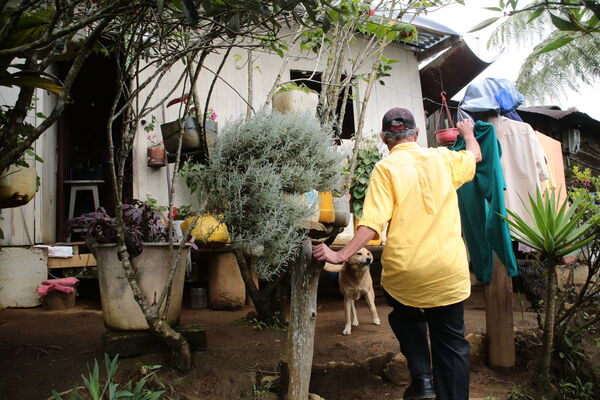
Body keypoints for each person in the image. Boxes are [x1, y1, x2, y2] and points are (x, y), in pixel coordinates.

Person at [313, 107, 481, 400]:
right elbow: (474, 157)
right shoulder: (443, 158)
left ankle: (423, 380)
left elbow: (372, 224)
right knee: (452, 341)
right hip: (448, 271)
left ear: (384, 138)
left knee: (405, 317)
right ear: (416, 134)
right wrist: (467, 133)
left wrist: (340, 255)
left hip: (407, 273)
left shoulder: (385, 169)